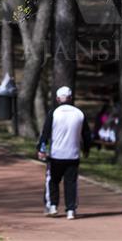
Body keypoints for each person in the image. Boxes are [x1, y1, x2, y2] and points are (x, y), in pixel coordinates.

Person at [37, 86, 92, 220]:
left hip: (56, 155)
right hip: (73, 155)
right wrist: (86, 149)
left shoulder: (53, 113)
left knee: (53, 181)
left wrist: (41, 149)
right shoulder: (79, 113)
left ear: (57, 99)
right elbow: (86, 134)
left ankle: (53, 206)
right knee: (71, 182)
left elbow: (45, 133)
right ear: (71, 98)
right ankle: (71, 210)